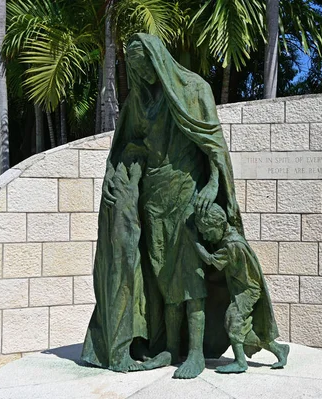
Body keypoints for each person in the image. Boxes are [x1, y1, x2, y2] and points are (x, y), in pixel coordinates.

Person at [81, 33, 244, 379]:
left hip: (188, 193)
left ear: (158, 57)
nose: (142, 73)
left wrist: (214, 184)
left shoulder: (195, 89)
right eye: (135, 68)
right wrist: (116, 177)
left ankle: (196, 352)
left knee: (191, 276)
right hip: (154, 199)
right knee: (163, 276)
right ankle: (170, 346)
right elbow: (125, 147)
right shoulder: (137, 102)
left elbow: (213, 145)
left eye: (145, 64)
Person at [189, 204, 288, 373]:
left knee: (232, 318)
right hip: (240, 288)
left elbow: (210, 260)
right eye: (202, 234)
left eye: (207, 232)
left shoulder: (232, 244)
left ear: (219, 225)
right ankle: (279, 349)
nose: (206, 237)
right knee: (244, 327)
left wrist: (194, 240)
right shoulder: (230, 238)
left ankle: (241, 362)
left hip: (247, 290)